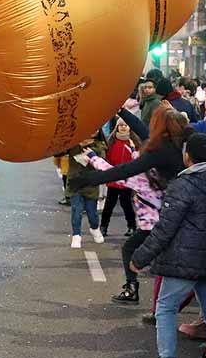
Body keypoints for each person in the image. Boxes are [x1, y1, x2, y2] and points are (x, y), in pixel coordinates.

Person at [129, 133, 206, 358]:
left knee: (165, 308)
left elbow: (165, 228)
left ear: (188, 156)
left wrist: (140, 257)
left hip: (183, 260)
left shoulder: (183, 185)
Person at [71, 105, 187, 304]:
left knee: (135, 252)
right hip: (175, 213)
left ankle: (133, 288)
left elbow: (123, 172)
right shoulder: (176, 145)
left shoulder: (153, 163)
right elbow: (142, 131)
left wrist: (90, 174)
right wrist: (120, 110)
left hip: (157, 221)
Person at [65, 132, 107, 249]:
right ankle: (76, 235)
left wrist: (91, 153)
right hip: (75, 184)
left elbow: (102, 162)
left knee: (92, 213)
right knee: (76, 211)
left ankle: (94, 228)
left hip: (91, 185)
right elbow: (59, 152)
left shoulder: (99, 146)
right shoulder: (72, 144)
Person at [99, 117, 138, 237]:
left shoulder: (133, 143)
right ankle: (104, 227)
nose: (123, 127)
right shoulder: (111, 142)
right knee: (109, 205)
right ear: (117, 127)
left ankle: (132, 226)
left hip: (127, 180)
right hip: (114, 179)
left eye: (125, 125)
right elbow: (107, 158)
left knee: (126, 205)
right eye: (121, 125)